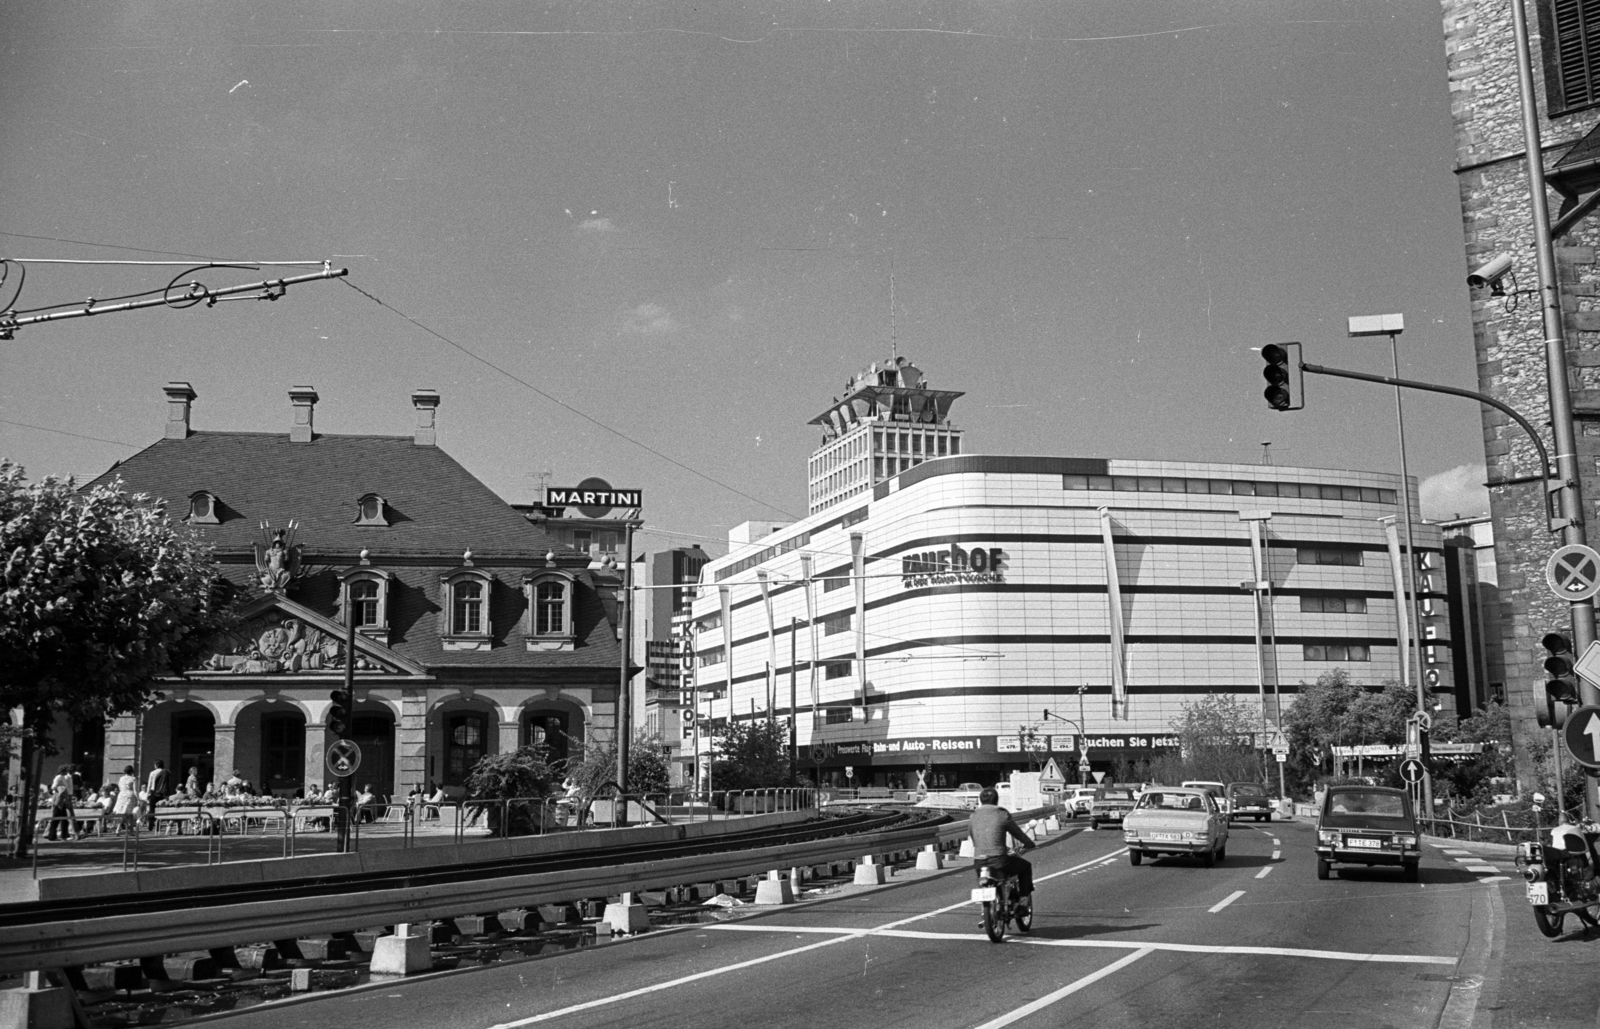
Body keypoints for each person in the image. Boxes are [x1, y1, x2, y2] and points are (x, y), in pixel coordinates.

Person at [969, 786, 1036, 909]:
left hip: (979, 861)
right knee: (1026, 867)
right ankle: (1023, 901)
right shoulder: (1002, 814)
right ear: (996, 800)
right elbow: (1017, 833)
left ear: (981, 800)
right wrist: (1029, 844)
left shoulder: (973, 816)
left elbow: (974, 838)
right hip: (999, 860)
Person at [45, 764, 76, 841]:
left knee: (63, 818)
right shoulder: (59, 777)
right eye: (66, 770)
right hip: (59, 800)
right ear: (63, 771)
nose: (67, 772)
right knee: (57, 818)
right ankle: (54, 836)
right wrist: (60, 792)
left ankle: (62, 835)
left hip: (63, 799)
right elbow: (53, 787)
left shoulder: (63, 777)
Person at [112, 765, 139, 834]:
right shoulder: (133, 779)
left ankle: (118, 829)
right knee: (130, 814)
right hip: (130, 795)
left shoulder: (121, 778)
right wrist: (138, 799)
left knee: (122, 813)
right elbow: (135, 790)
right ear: (132, 771)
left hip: (121, 795)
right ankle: (130, 830)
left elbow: (120, 787)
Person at [144, 761, 170, 830]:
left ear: (156, 765)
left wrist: (147, 794)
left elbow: (149, 784)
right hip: (162, 793)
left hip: (154, 792)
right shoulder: (166, 772)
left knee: (152, 809)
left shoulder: (152, 773)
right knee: (161, 808)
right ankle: (158, 824)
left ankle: (150, 823)